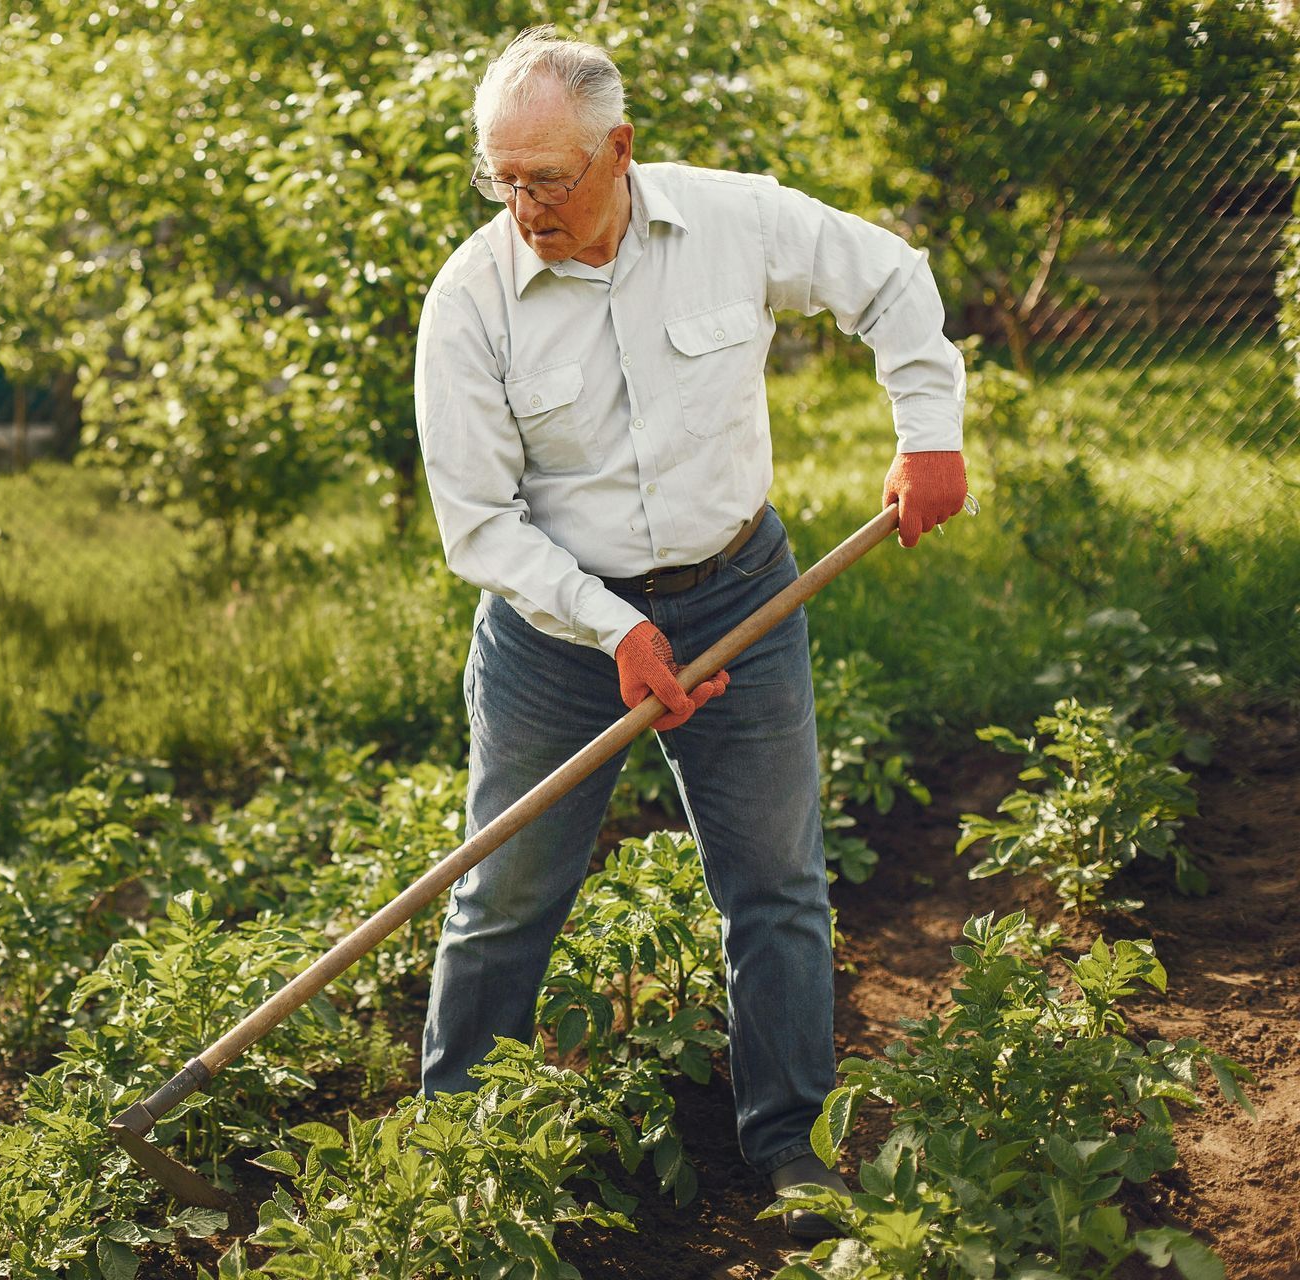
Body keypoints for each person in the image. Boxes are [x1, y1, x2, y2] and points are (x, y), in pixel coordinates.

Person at [412, 27, 970, 1241]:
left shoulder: (732, 222)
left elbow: (892, 277)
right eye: (498, 177)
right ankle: (454, 1158)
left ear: (620, 150)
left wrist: (928, 428)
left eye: (547, 178)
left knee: (776, 885)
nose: (522, 205)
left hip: (740, 599)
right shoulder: (470, 300)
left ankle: (790, 1147)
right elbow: (477, 523)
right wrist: (613, 625)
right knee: (504, 895)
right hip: (560, 633)